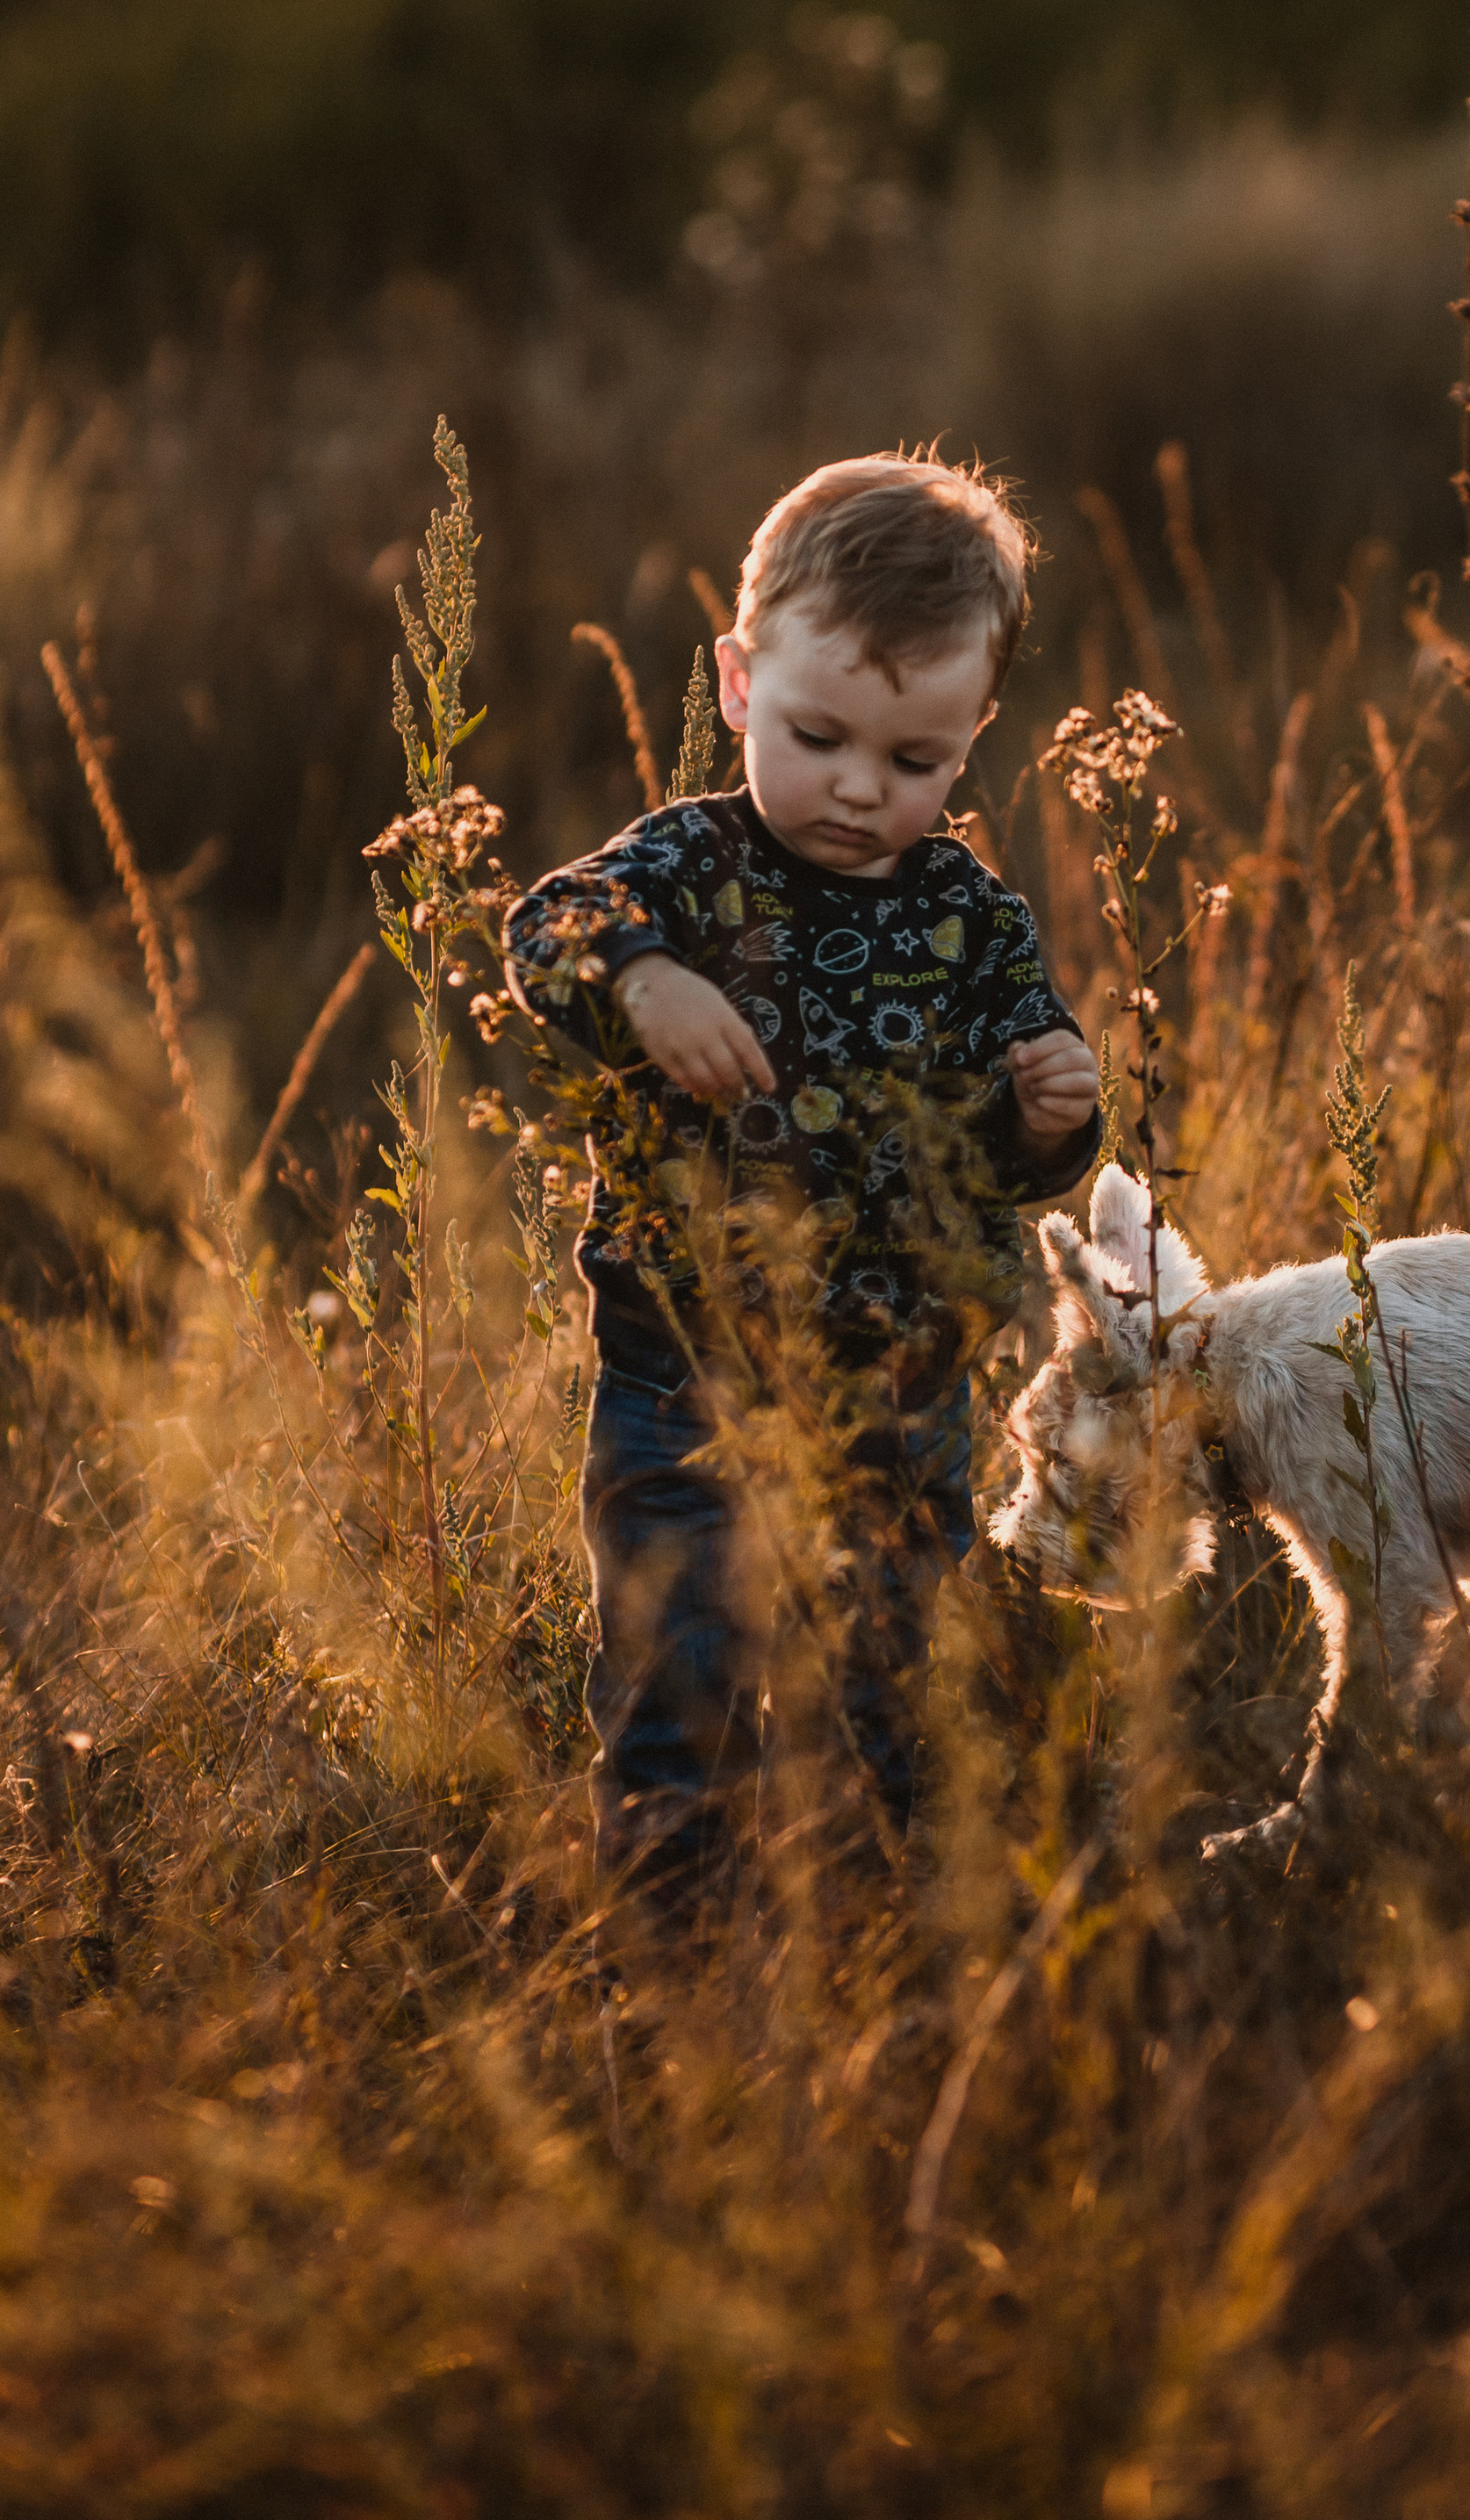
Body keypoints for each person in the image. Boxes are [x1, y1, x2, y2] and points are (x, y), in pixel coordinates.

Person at [505, 454, 1101, 1904]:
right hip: (681, 1372)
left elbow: (1022, 1165)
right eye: (818, 734)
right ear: (735, 682)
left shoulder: (968, 917)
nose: (856, 789)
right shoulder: (686, 870)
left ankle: (891, 1935)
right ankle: (674, 1948)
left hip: (896, 1382)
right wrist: (641, 979)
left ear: (974, 735)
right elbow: (546, 927)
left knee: (892, 1679)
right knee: (680, 1672)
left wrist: (1051, 1111)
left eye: (916, 763)